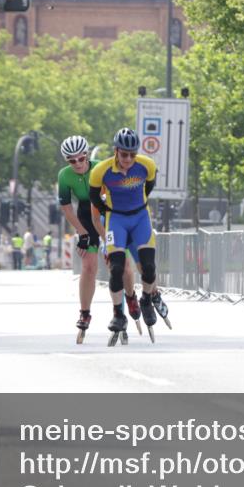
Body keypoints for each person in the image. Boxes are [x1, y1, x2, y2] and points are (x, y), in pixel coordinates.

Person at [89, 128, 170, 344]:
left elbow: (148, 188)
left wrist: (134, 206)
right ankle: (118, 314)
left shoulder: (147, 165)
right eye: (124, 154)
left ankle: (146, 299)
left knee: (149, 266)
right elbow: (94, 198)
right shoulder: (101, 171)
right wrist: (108, 213)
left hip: (140, 218)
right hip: (116, 220)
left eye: (132, 154)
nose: (128, 159)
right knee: (116, 269)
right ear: (116, 151)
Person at [57, 135, 140, 341]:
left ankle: (129, 299)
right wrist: (82, 233)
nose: (77, 163)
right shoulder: (64, 176)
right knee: (88, 266)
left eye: (81, 158)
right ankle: (85, 313)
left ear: (87, 155)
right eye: (72, 160)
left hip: (108, 213)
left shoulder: (101, 168)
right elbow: (67, 209)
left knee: (119, 263)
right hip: (86, 216)